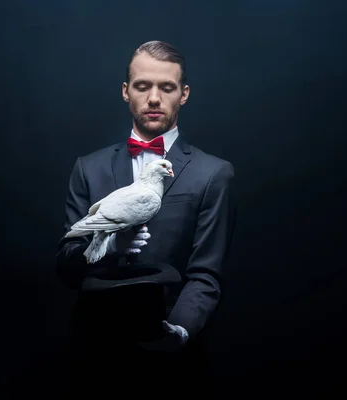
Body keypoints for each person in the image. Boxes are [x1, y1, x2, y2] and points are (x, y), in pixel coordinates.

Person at [55, 40, 236, 386]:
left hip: (174, 361)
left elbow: (206, 274)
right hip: (93, 355)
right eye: (142, 86)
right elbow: (65, 265)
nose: (154, 98)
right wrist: (109, 250)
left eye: (166, 87)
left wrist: (178, 331)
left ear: (183, 94)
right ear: (126, 91)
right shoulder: (88, 168)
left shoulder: (214, 173)